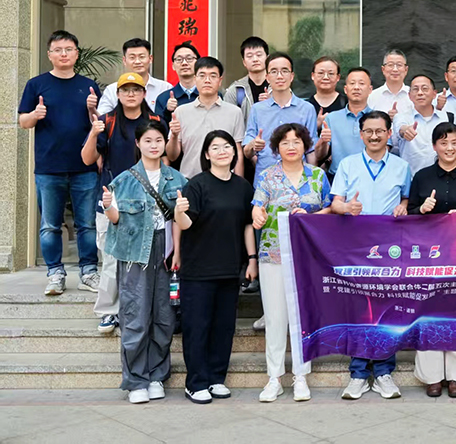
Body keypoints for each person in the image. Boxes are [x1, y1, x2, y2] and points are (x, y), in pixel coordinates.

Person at [101, 120, 185, 404]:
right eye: (148, 140)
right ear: (138, 144)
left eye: (159, 140)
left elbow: (180, 219)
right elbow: (115, 220)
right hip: (135, 254)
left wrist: (178, 252)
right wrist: (109, 207)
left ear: (165, 143)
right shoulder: (123, 180)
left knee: (164, 317)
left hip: (166, 251)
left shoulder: (177, 179)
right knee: (135, 317)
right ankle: (136, 380)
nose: (154, 145)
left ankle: (157, 376)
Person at [331, 110, 412, 400]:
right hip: (355, 245)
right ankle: (358, 373)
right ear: (361, 134)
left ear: (389, 134)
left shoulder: (402, 166)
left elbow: (406, 197)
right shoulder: (348, 164)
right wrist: (347, 208)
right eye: (369, 131)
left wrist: (404, 206)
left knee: (387, 309)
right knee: (359, 309)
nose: (374, 136)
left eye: (380, 131)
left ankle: (383, 372)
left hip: (390, 247)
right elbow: (336, 203)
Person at [251, 123, 333, 403]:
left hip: (307, 256)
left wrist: (312, 217)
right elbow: (257, 207)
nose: (291, 146)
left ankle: (301, 376)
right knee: (275, 318)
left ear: (305, 145)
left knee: (302, 317)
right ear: (277, 147)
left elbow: (330, 208)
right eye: (285, 142)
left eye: (296, 141)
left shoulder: (317, 176)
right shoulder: (268, 176)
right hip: (273, 254)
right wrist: (257, 215)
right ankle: (274, 378)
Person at [174, 130, 256, 404]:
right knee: (197, 327)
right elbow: (186, 224)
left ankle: (216, 378)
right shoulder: (197, 185)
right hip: (198, 269)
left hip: (230, 267)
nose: (222, 151)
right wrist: (179, 212)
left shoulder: (243, 187)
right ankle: (195, 382)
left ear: (234, 152)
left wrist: (252, 259)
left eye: (227, 146)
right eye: (215, 147)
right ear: (207, 154)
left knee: (223, 328)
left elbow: (247, 225)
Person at [18, 30, 101, 296]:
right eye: (58, 50)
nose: (63, 54)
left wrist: (92, 109)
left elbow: (99, 123)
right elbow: (23, 122)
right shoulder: (36, 84)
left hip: (84, 167)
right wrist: (35, 114)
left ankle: (89, 272)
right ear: (49, 54)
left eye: (68, 49)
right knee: (50, 225)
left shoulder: (88, 86)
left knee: (87, 224)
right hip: (49, 167)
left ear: (77, 53)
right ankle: (55, 273)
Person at [408, 123, 456, 398]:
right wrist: (422, 209)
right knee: (428, 314)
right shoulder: (422, 177)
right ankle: (432, 376)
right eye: (443, 143)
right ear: (434, 146)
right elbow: (408, 216)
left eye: (454, 142)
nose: (449, 148)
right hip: (427, 259)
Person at [82, 72, 163, 333]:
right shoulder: (107, 121)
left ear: (144, 93)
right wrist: (93, 133)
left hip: (147, 200)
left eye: (136, 89)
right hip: (112, 200)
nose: (131, 94)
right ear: (117, 94)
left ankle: (139, 310)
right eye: (125, 90)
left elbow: (166, 158)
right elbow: (87, 159)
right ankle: (108, 311)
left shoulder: (154, 121)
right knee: (110, 259)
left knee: (145, 259)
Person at [242, 52, 318, 184]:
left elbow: (311, 150)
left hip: (298, 182)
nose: (280, 76)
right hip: (265, 183)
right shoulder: (257, 109)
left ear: (292, 76)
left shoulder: (307, 109)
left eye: (284, 71)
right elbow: (247, 152)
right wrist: (253, 145)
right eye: (274, 71)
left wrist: (314, 182)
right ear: (267, 77)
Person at [166, 57, 245, 181]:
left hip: (225, 181)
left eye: (213, 76)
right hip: (189, 180)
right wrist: (174, 136)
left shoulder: (234, 112)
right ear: (195, 79)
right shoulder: (181, 112)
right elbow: (172, 156)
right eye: (202, 76)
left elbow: (238, 152)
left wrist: (239, 183)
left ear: (220, 81)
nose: (207, 80)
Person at [319, 67, 373, 178]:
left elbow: (384, 150)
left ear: (370, 89)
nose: (356, 87)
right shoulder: (332, 118)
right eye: (352, 83)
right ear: (345, 89)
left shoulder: (378, 119)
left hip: (370, 176)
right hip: (338, 177)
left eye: (361, 83)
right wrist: (323, 142)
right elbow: (320, 156)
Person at [96, 38, 173, 115]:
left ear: (150, 59)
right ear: (124, 60)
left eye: (142, 57)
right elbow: (101, 117)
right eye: (132, 58)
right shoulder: (112, 90)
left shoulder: (165, 88)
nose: (137, 62)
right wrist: (91, 108)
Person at [393, 74, 452, 174]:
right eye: (415, 89)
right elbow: (401, 128)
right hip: (412, 178)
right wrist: (406, 131)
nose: (420, 93)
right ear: (409, 95)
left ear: (434, 94)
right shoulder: (401, 117)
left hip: (442, 177)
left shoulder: (447, 117)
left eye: (425, 89)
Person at [224, 36, 271, 127]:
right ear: (244, 62)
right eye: (249, 56)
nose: (255, 59)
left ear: (268, 58)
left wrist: (273, 103)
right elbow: (228, 123)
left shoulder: (278, 87)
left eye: (259, 55)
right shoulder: (235, 90)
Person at [154, 41, 200, 123]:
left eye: (189, 59)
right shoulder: (163, 98)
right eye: (179, 59)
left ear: (198, 63)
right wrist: (168, 111)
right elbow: (158, 128)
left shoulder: (211, 94)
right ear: (173, 66)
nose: (184, 63)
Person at [370, 49, 413, 118]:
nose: (395, 69)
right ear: (383, 69)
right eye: (390, 65)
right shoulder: (372, 97)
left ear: (406, 70)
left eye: (399, 65)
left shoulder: (415, 96)